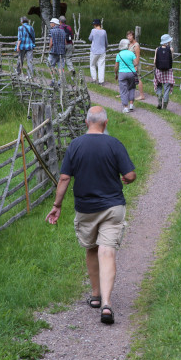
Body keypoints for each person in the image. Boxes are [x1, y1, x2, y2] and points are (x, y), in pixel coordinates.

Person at [46, 106, 136, 325]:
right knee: (108, 251)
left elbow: (65, 178)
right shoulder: (114, 144)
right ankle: (107, 303)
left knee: (91, 248)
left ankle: (95, 296)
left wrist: (57, 205)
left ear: (87, 122)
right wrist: (127, 179)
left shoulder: (75, 145)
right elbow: (130, 175)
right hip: (112, 207)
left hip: (86, 208)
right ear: (105, 123)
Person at [115, 38, 139, 113]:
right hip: (131, 73)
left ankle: (125, 107)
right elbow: (136, 63)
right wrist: (131, 64)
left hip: (122, 73)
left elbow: (116, 66)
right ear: (127, 45)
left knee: (123, 90)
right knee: (132, 88)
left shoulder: (118, 54)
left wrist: (116, 74)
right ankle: (131, 105)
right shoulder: (131, 53)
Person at [153, 34, 174, 110]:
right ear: (167, 41)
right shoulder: (171, 49)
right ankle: (164, 106)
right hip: (168, 71)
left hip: (159, 71)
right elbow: (171, 59)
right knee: (167, 88)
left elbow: (155, 61)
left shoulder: (157, 49)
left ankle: (159, 98)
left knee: (159, 86)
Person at [89, 19, 109, 84]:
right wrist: (105, 48)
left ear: (95, 25)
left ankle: (94, 79)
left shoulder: (93, 31)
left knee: (92, 65)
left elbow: (90, 38)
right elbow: (106, 42)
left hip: (94, 50)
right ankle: (101, 81)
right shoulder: (104, 32)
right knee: (101, 65)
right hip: (102, 51)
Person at [126, 31, 144, 100]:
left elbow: (137, 56)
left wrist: (136, 66)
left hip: (135, 64)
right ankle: (125, 93)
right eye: (128, 36)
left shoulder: (136, 45)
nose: (129, 37)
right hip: (129, 64)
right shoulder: (128, 44)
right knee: (127, 78)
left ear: (133, 36)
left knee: (138, 79)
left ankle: (142, 95)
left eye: (130, 35)